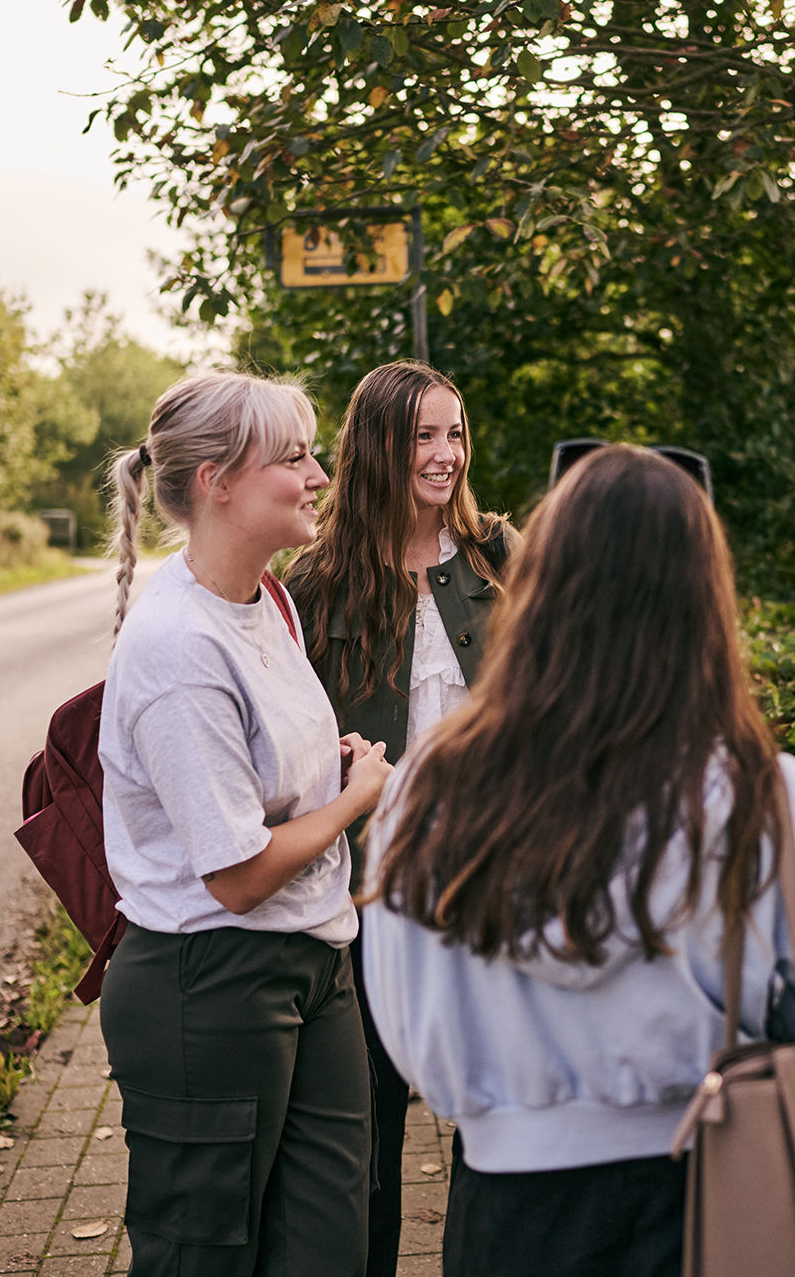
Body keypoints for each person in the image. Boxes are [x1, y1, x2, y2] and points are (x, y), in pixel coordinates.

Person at [359, 445, 795, 1277]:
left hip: (503, 1211)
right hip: (712, 1199)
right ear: (703, 598)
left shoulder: (428, 787)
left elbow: (402, 1029)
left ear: (538, 589)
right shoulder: (766, 797)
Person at [98, 372, 392, 1277]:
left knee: (328, 1247)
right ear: (218, 481)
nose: (318, 476)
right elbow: (236, 874)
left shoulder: (272, 599)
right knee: (206, 1256)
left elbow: (258, 778)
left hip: (312, 958)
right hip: (209, 978)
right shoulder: (178, 647)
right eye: (293, 457)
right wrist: (355, 801)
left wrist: (323, 767)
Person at [284, 360, 517, 1277]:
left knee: (496, 1116)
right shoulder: (317, 582)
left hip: (490, 887)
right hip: (367, 897)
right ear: (376, 445)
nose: (445, 454)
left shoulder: (499, 553)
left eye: (455, 433)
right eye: (423, 435)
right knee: (367, 1131)